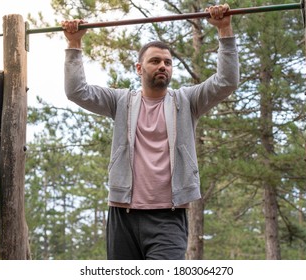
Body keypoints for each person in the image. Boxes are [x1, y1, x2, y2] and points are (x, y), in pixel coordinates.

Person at [62, 3, 239, 260]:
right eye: (155, 61)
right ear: (139, 68)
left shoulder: (186, 101)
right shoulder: (121, 101)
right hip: (122, 215)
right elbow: (77, 91)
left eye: (168, 62)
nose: (163, 66)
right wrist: (74, 44)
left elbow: (226, 81)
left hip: (168, 217)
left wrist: (224, 29)